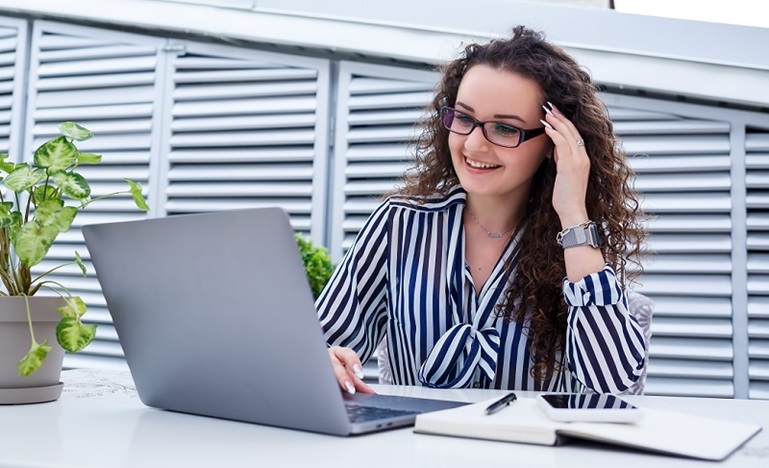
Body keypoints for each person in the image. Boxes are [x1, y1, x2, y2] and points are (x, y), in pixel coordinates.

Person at [316, 25, 646, 395]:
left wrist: (573, 214)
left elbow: (613, 383)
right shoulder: (399, 226)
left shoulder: (578, 245)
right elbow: (322, 343)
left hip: (532, 450)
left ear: (553, 144)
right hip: (413, 448)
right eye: (464, 118)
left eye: (505, 129)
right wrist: (323, 359)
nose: (473, 144)